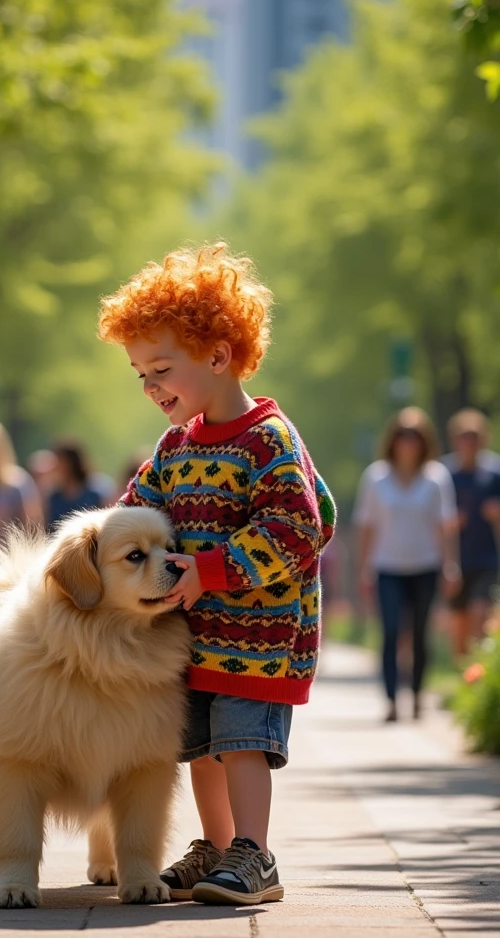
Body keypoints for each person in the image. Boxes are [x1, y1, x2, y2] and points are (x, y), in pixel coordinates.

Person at [98, 242, 336, 906]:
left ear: (218, 355)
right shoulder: (175, 447)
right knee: (200, 746)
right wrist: (98, 544)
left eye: (161, 370)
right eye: (140, 374)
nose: (150, 388)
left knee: (243, 744)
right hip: (192, 634)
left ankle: (255, 855)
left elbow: (295, 528)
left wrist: (210, 569)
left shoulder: (269, 440)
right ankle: (217, 846)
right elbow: (137, 507)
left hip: (261, 636)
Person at [354, 407, 460, 722]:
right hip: (386, 567)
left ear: (424, 441)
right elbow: (366, 526)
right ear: (393, 440)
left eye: (414, 436)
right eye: (403, 435)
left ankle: (416, 695)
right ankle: (390, 699)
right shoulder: (376, 477)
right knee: (390, 631)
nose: (408, 442)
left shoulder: (436, 478)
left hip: (425, 565)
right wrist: (364, 568)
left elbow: (446, 526)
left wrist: (450, 564)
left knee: (419, 633)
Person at [444, 409, 500, 658]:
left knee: (481, 615)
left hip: (487, 558)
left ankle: (479, 676)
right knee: (459, 626)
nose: (470, 442)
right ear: (455, 440)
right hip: (456, 561)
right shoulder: (445, 474)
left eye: (475, 436)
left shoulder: (494, 473)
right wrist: (450, 523)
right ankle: (463, 681)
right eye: (464, 436)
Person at [45, 441, 103, 528]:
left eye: (58, 461)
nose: (54, 467)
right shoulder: (54, 498)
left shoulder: (93, 496)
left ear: (70, 463)